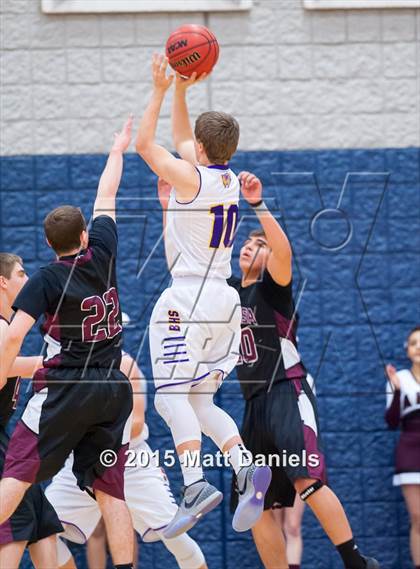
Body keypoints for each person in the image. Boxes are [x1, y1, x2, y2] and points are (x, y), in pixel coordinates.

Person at [136, 55, 271, 539]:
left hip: (187, 302)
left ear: (201, 147)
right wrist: (181, 90)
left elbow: (146, 145)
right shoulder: (228, 179)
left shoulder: (190, 179)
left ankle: (193, 485)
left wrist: (156, 88)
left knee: (171, 398)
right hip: (224, 305)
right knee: (198, 398)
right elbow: (178, 143)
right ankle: (243, 466)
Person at [0, 117, 135, 569]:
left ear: (47, 243)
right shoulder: (104, 248)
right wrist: (117, 150)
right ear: (83, 236)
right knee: (110, 491)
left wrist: (4, 369)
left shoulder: (44, 278)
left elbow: (15, 336)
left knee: (17, 476)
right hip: (112, 391)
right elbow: (107, 195)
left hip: (65, 389)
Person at [227, 171, 380, 569]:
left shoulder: (273, 289)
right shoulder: (227, 292)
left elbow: (284, 252)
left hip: (285, 390)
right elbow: (186, 262)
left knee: (306, 480)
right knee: (253, 502)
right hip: (253, 404)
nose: (250, 246)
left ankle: (355, 561)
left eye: (258, 245)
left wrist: (257, 205)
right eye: (247, 242)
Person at [46, 331, 208, 569]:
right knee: (41, 526)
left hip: (130, 462)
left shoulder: (125, 364)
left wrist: (89, 427)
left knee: (175, 536)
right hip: (81, 461)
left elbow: (136, 424)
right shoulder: (70, 366)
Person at [0, 252, 63, 569]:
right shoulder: (1, 329)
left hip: (8, 441)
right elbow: (11, 368)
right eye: (21, 274)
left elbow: (18, 367)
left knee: (43, 525)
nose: (27, 280)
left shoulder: (7, 328)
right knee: (14, 527)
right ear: (3, 282)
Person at [386, 326, 420, 569]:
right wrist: (396, 391)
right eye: (413, 343)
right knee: (418, 519)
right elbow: (392, 421)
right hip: (410, 451)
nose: (418, 346)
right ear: (407, 350)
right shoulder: (400, 378)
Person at [273, 372, 316, 569]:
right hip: (270, 455)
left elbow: (310, 423)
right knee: (274, 528)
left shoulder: (306, 380)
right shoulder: (262, 377)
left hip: (298, 456)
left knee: (292, 525)